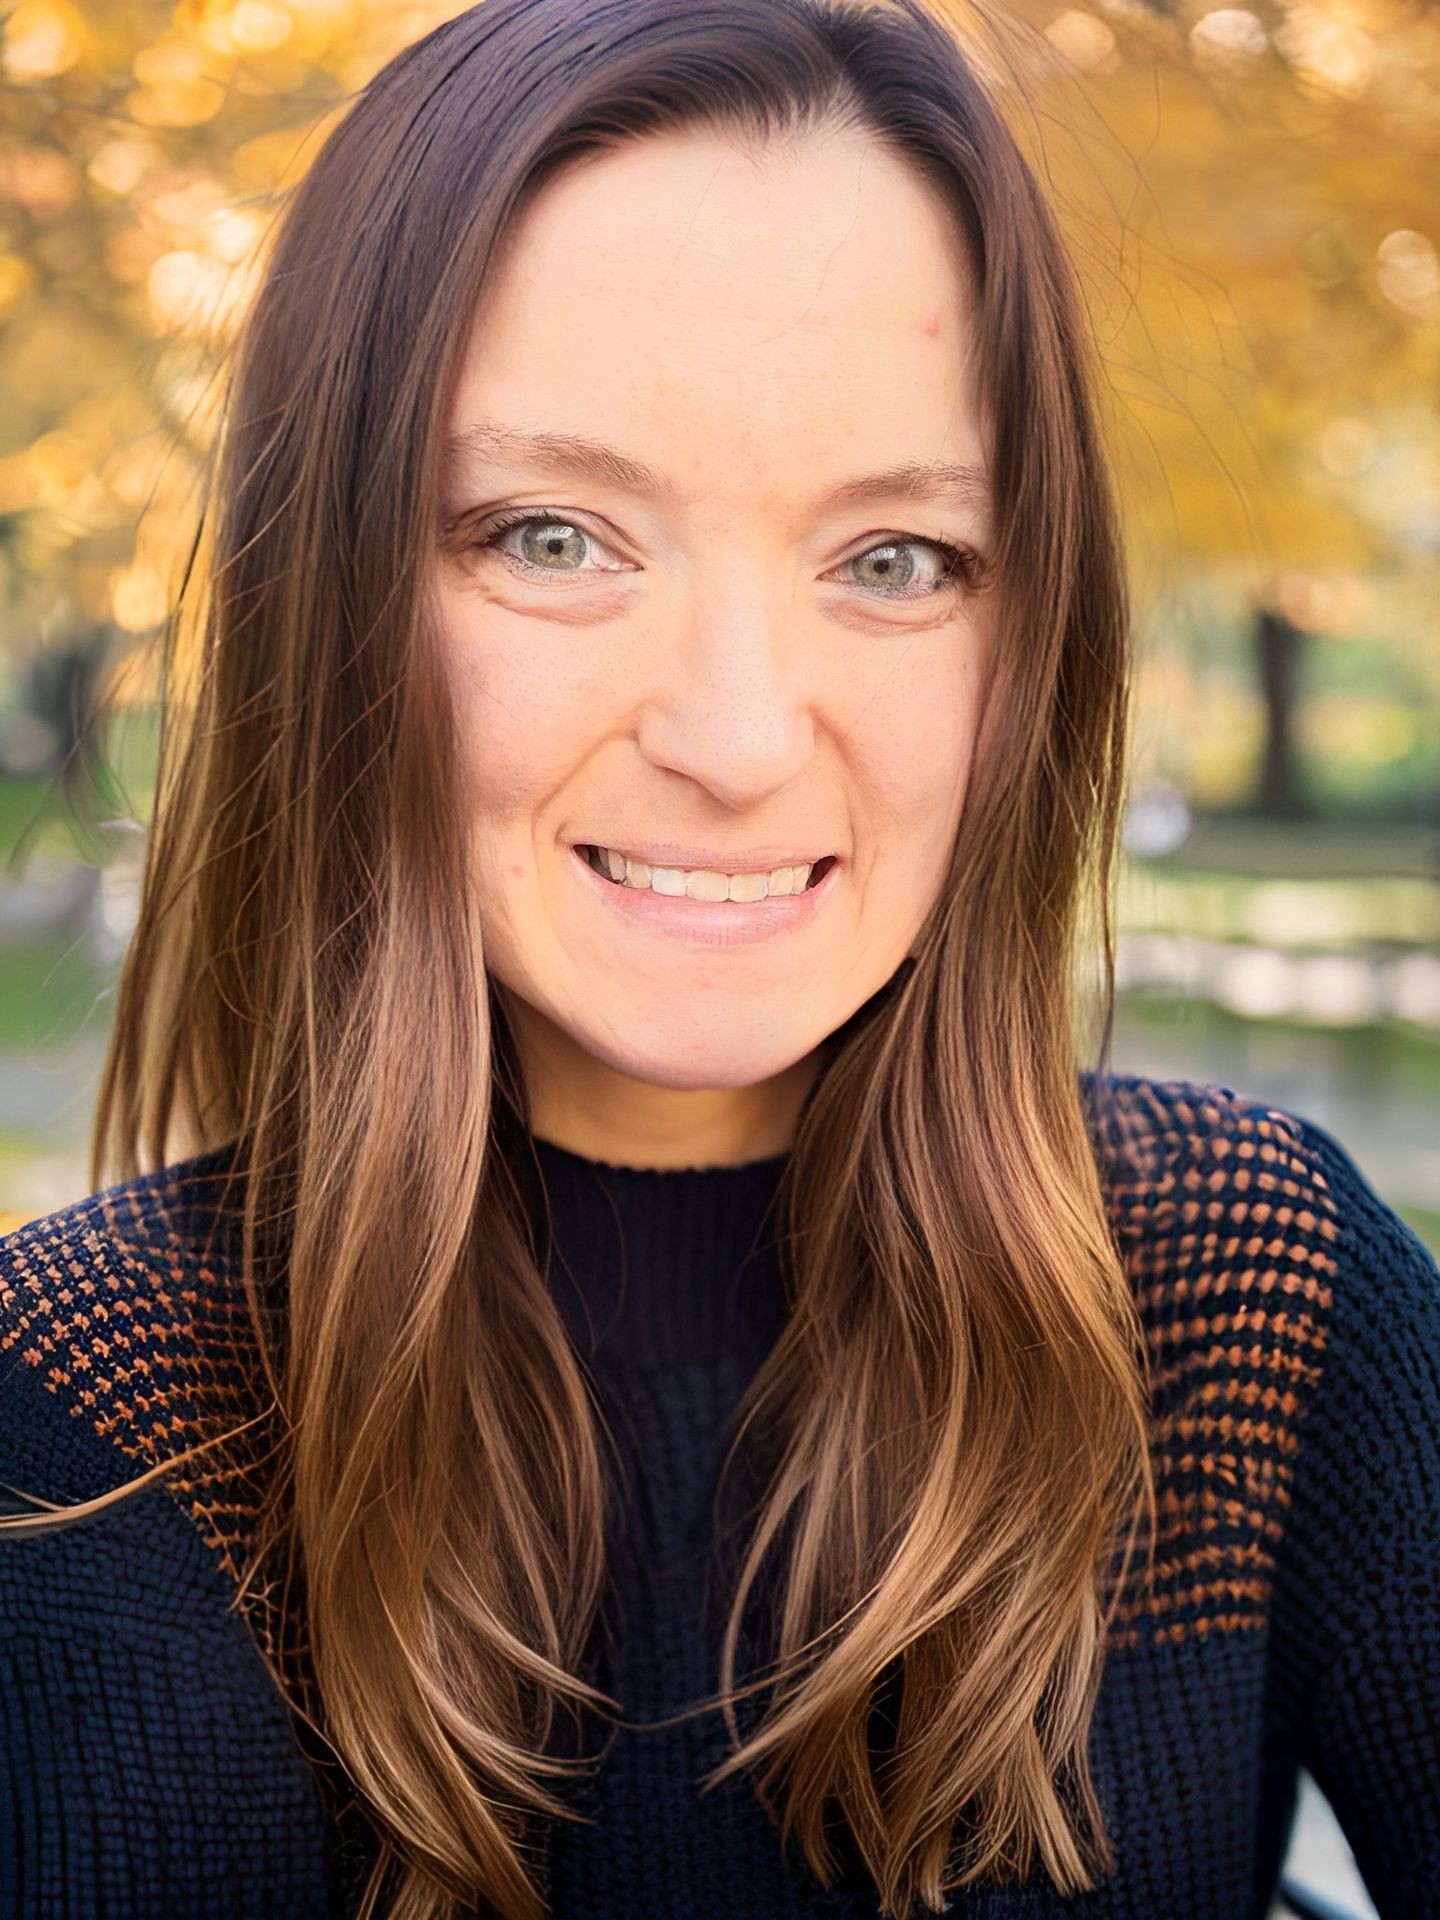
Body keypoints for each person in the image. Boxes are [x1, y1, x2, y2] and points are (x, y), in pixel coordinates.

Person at [1, 0, 1437, 1915]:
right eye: (555, 536)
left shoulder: (1246, 1296)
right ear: (337, 599)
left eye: (896, 557)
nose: (743, 736)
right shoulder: (92, 1419)